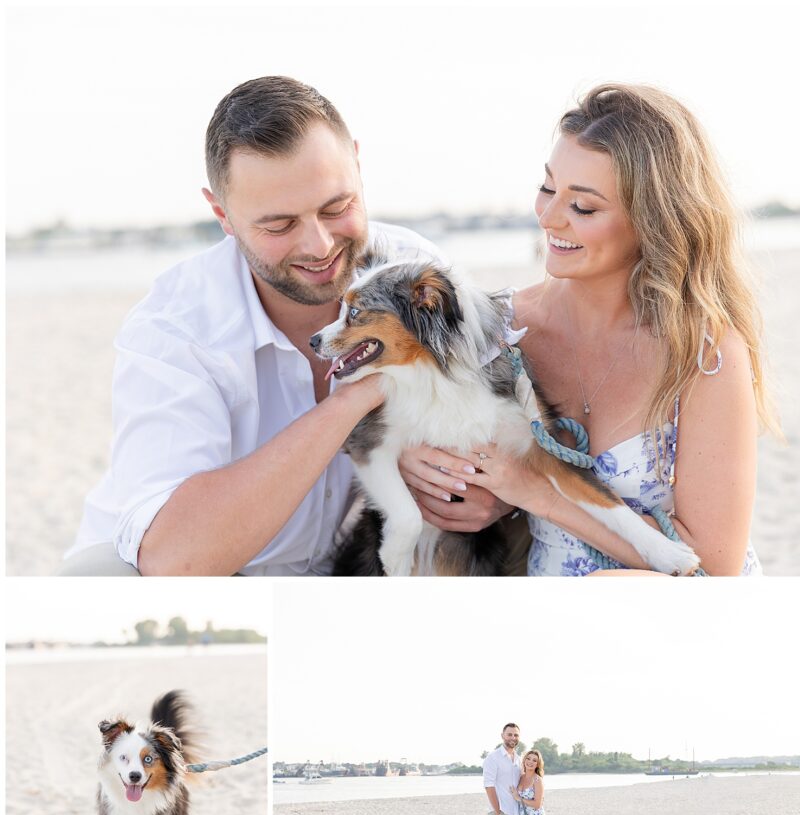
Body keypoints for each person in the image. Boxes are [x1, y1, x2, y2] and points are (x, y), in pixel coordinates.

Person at [59, 76, 503, 576]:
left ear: (357, 165)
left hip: (345, 568)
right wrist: (354, 404)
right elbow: (173, 559)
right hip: (181, 573)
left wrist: (492, 498)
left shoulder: (413, 273)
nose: (319, 246)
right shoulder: (172, 330)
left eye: (337, 207)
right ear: (222, 215)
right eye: (279, 225)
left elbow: (495, 415)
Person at [403, 84, 779, 576]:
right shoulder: (497, 330)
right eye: (547, 188)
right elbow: (412, 429)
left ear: (654, 222)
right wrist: (420, 468)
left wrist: (541, 493)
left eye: (583, 207)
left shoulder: (704, 352)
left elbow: (713, 564)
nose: (549, 217)